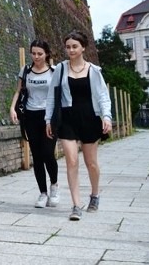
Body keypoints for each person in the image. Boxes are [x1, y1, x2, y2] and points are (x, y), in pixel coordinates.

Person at [45, 30, 112, 221]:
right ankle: (76, 205)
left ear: (83, 48)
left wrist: (106, 117)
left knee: (91, 163)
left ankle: (95, 194)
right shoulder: (60, 69)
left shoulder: (94, 71)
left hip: (90, 117)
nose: (71, 50)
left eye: (75, 46)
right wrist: (48, 120)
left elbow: (103, 97)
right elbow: (52, 96)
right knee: (71, 161)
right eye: (68, 47)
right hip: (67, 119)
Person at [9, 39, 60, 209]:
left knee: (48, 153)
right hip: (30, 115)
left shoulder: (54, 71)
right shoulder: (25, 71)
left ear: (46, 54)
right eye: (34, 53)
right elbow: (19, 91)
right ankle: (42, 193)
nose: (36, 57)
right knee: (36, 156)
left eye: (40, 53)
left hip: (49, 116)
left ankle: (54, 185)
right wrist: (12, 108)